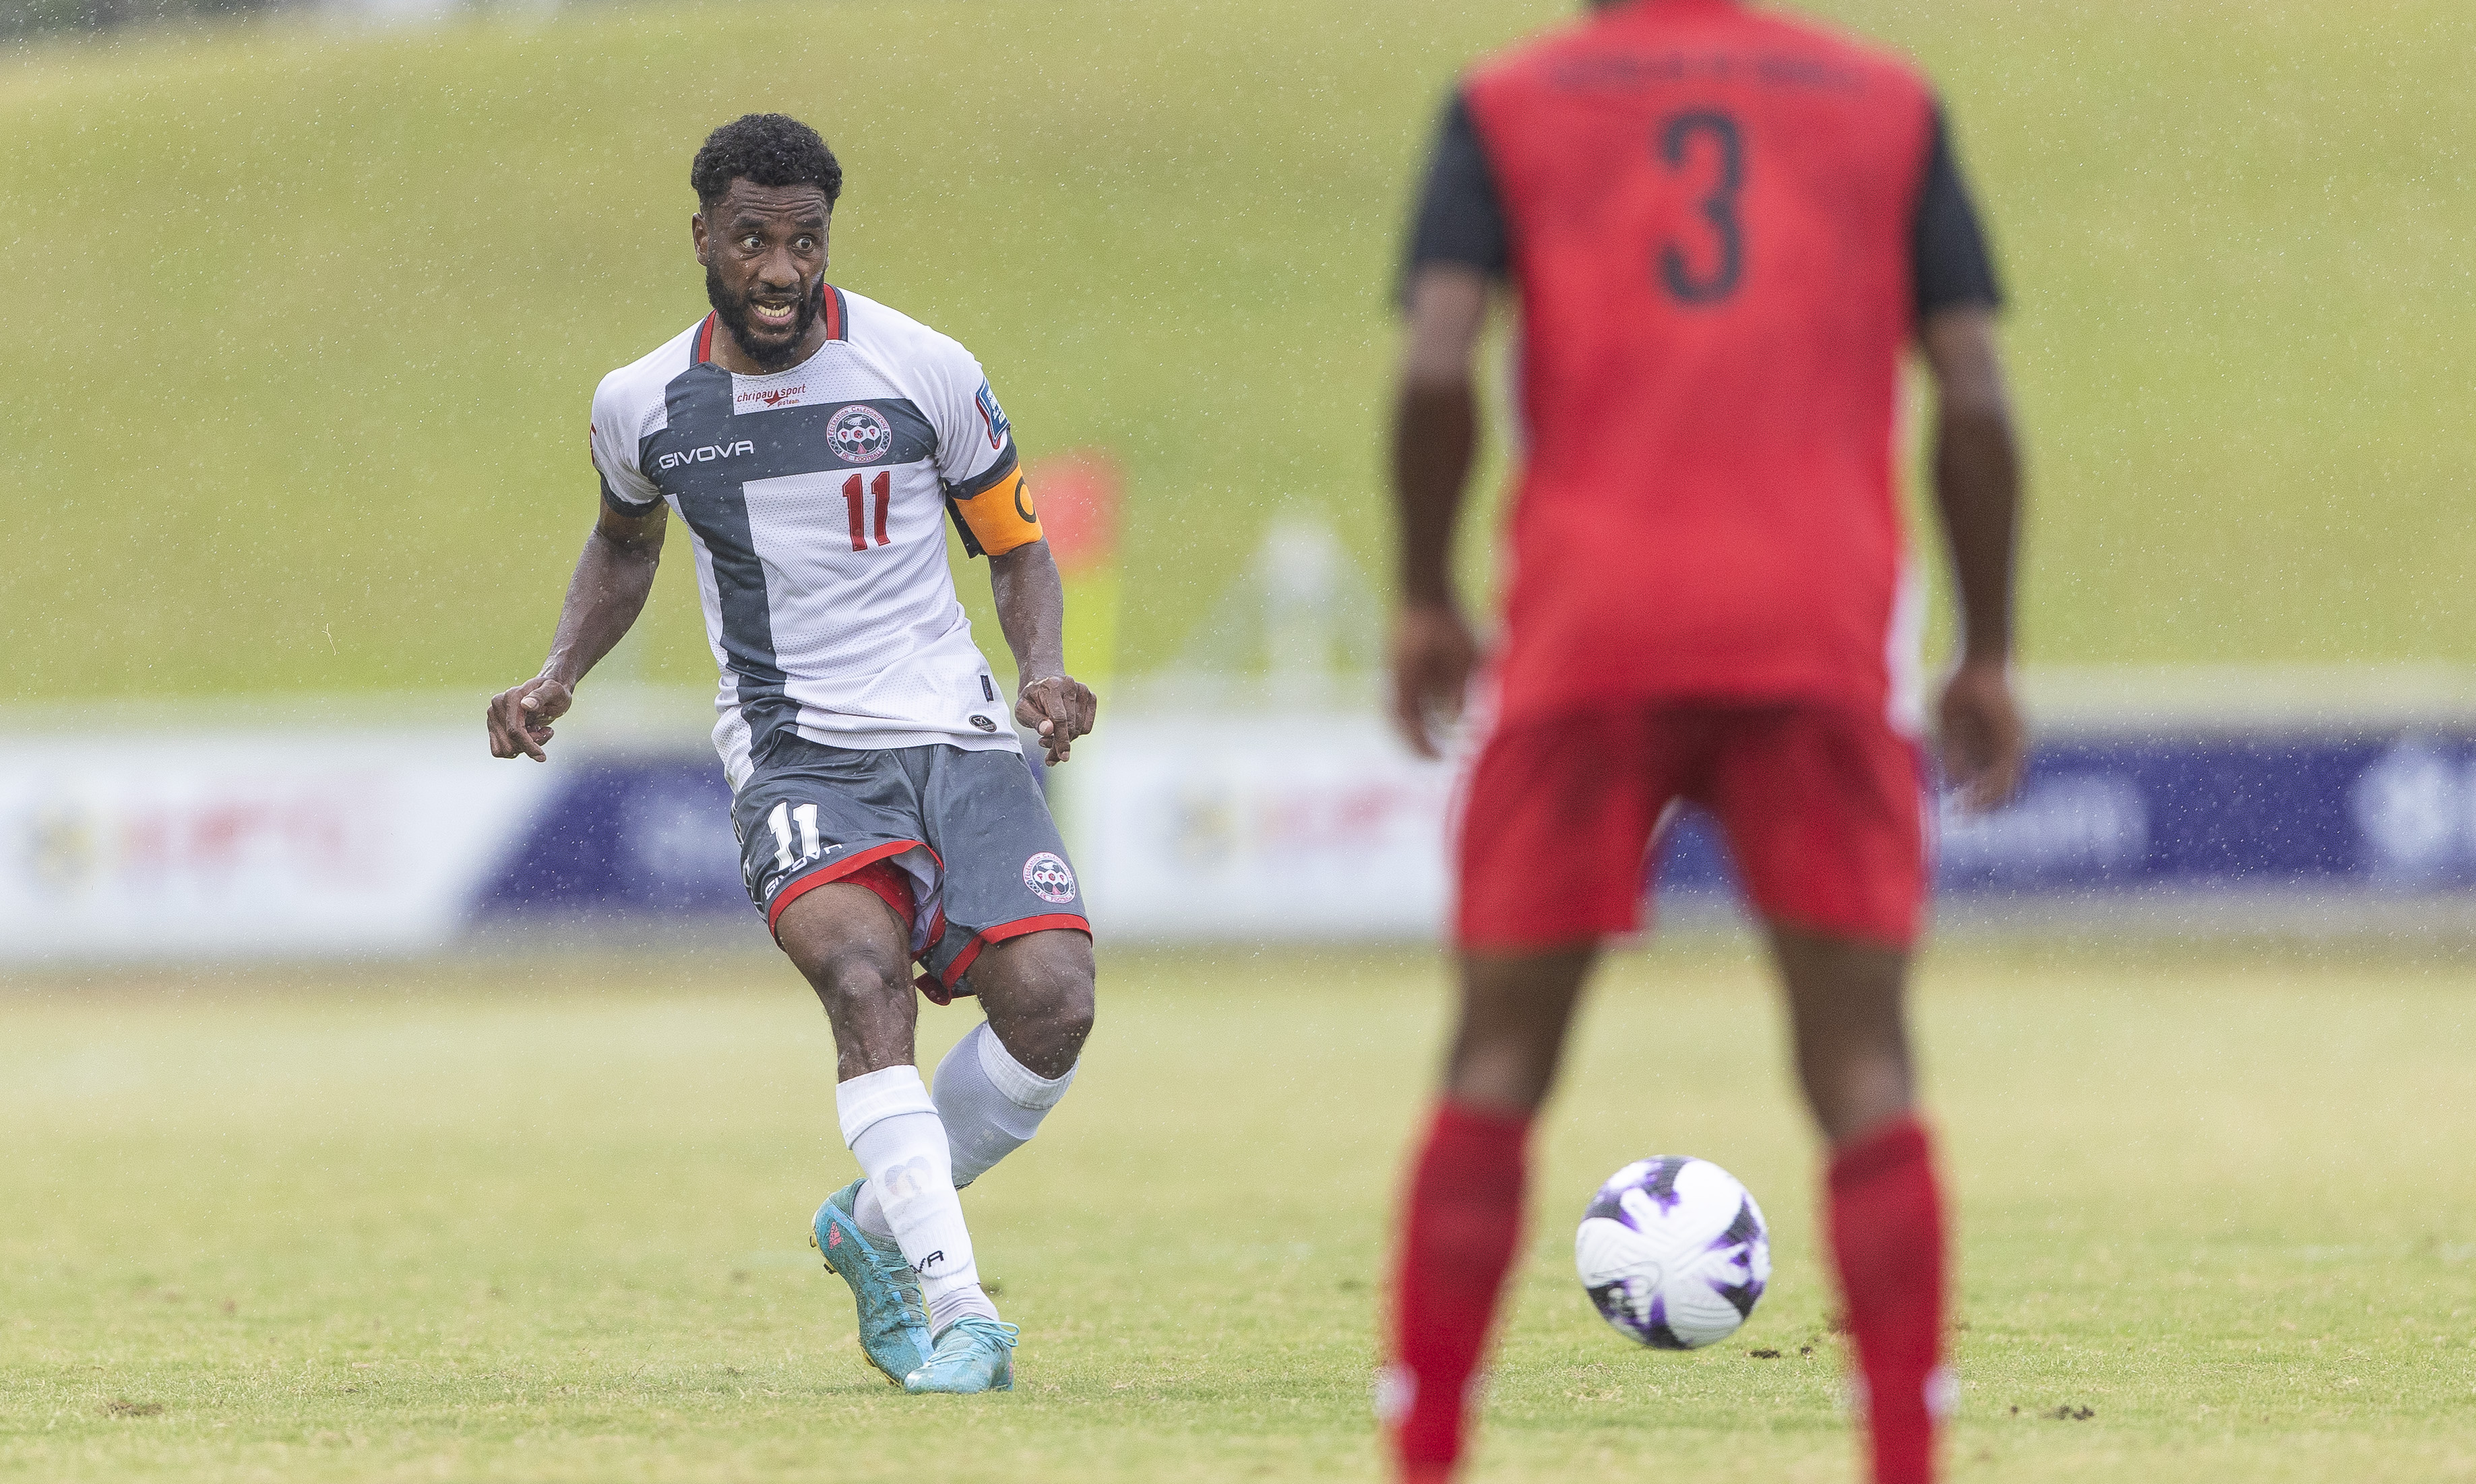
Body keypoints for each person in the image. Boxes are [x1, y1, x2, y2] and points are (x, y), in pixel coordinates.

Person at [1380, 3, 2024, 1481]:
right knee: (1863, 1066)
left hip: (1587, 627)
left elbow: (1434, 367)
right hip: (1814, 621)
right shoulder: (1886, 105)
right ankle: (1903, 1458)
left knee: (1494, 1060)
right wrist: (1984, 646)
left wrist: (1422, 594)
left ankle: (1423, 1453)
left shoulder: (1505, 104)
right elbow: (1974, 393)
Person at [485, 113, 1098, 1397]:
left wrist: (1039, 668)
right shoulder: (642, 404)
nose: (779, 270)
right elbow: (625, 543)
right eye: (752, 240)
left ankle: (868, 1227)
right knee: (864, 981)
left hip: (954, 734)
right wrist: (557, 674)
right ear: (702, 236)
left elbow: (1017, 541)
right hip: (795, 749)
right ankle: (963, 1311)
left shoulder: (924, 368)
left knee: (1051, 1005)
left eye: (804, 241)